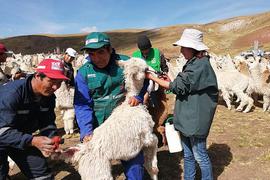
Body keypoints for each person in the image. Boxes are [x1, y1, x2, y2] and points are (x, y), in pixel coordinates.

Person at [146, 29, 219, 180]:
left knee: (200, 155)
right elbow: (185, 85)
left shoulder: (199, 66)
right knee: (188, 154)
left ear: (193, 48)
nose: (181, 50)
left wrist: (152, 77)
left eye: (184, 47)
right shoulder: (194, 63)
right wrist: (168, 78)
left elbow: (177, 87)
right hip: (189, 117)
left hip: (196, 118)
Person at [74, 32, 147, 179]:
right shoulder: (84, 73)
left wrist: (138, 96)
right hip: (98, 126)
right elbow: (82, 104)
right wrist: (86, 130)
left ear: (109, 49)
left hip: (125, 123)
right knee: (97, 167)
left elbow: (143, 81)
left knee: (134, 163)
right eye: (91, 54)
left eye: (101, 52)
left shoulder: (126, 63)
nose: (96, 58)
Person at [0, 59, 69, 180]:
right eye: (51, 81)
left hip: (21, 137)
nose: (55, 87)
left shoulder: (48, 96)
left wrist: (51, 139)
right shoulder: (12, 94)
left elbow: (47, 122)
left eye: (59, 83)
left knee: (42, 172)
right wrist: (32, 141)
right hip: (3, 134)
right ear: (38, 76)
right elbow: (2, 131)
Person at [132, 35, 170, 145]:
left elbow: (164, 67)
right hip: (142, 86)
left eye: (147, 49)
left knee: (160, 107)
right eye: (143, 50)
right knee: (144, 107)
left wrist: (163, 74)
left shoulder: (157, 53)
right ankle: (146, 131)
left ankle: (159, 129)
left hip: (157, 84)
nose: (145, 52)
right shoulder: (135, 56)